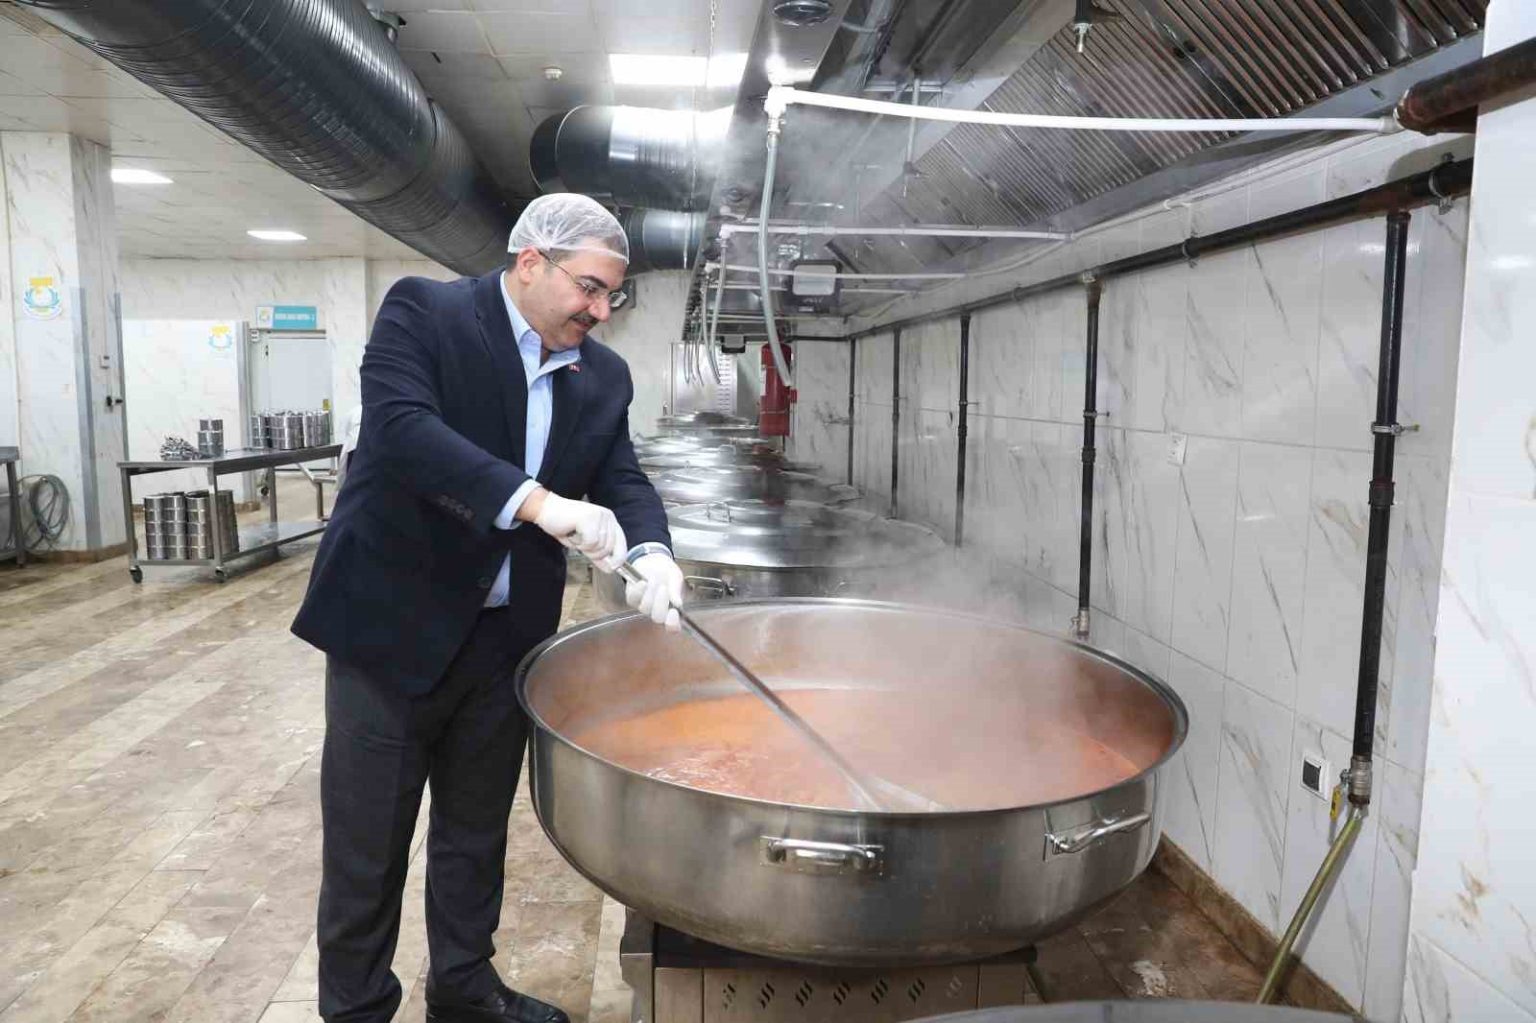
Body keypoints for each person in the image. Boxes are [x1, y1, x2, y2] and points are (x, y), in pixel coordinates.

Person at [291, 194, 686, 1023]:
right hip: (392, 630)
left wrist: (652, 549)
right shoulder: (425, 315)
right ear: (530, 262)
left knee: (474, 834)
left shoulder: (602, 375)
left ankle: (464, 988)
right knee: (369, 845)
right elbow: (402, 431)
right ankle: (356, 1008)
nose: (601, 311)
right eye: (589, 288)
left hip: (504, 639)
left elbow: (621, 476)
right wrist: (540, 503)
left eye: (612, 295)